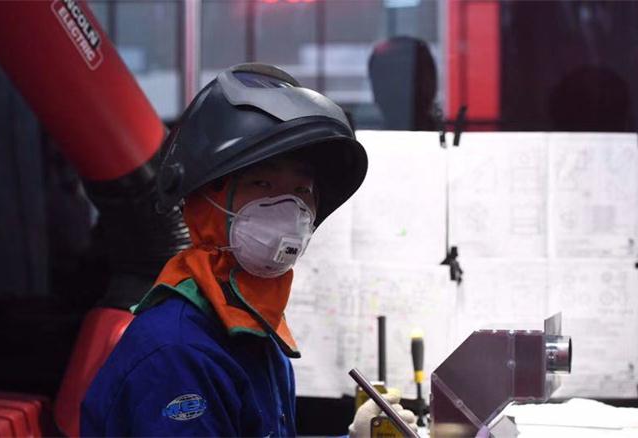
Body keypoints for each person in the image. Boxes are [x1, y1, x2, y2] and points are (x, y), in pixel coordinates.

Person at [81, 63, 417, 436]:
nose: (287, 208)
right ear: (204, 199)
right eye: (262, 183)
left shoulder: (250, 325)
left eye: (301, 190)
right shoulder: (180, 354)